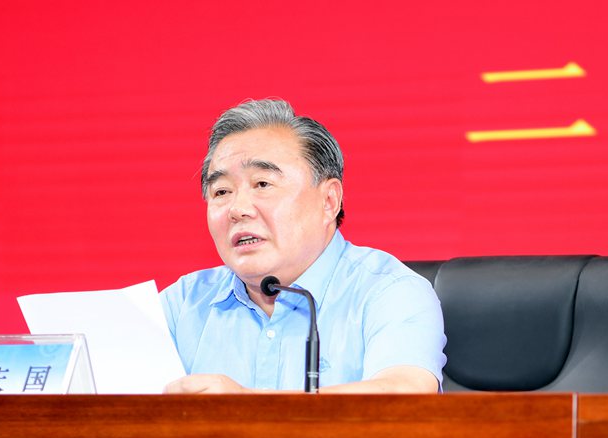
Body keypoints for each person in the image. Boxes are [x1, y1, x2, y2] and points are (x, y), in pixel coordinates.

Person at [161, 99, 446, 393]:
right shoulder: (183, 304)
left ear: (329, 201)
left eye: (262, 184)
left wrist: (245, 406)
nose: (238, 209)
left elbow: (403, 394)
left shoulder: (389, 292)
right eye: (221, 191)